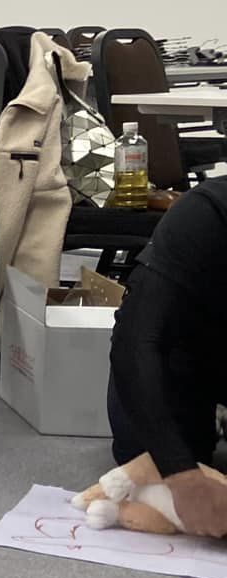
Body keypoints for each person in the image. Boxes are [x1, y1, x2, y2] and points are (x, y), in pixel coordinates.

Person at [106, 175, 227, 537]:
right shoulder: (206, 212)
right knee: (148, 455)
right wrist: (182, 475)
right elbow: (136, 341)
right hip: (188, 353)